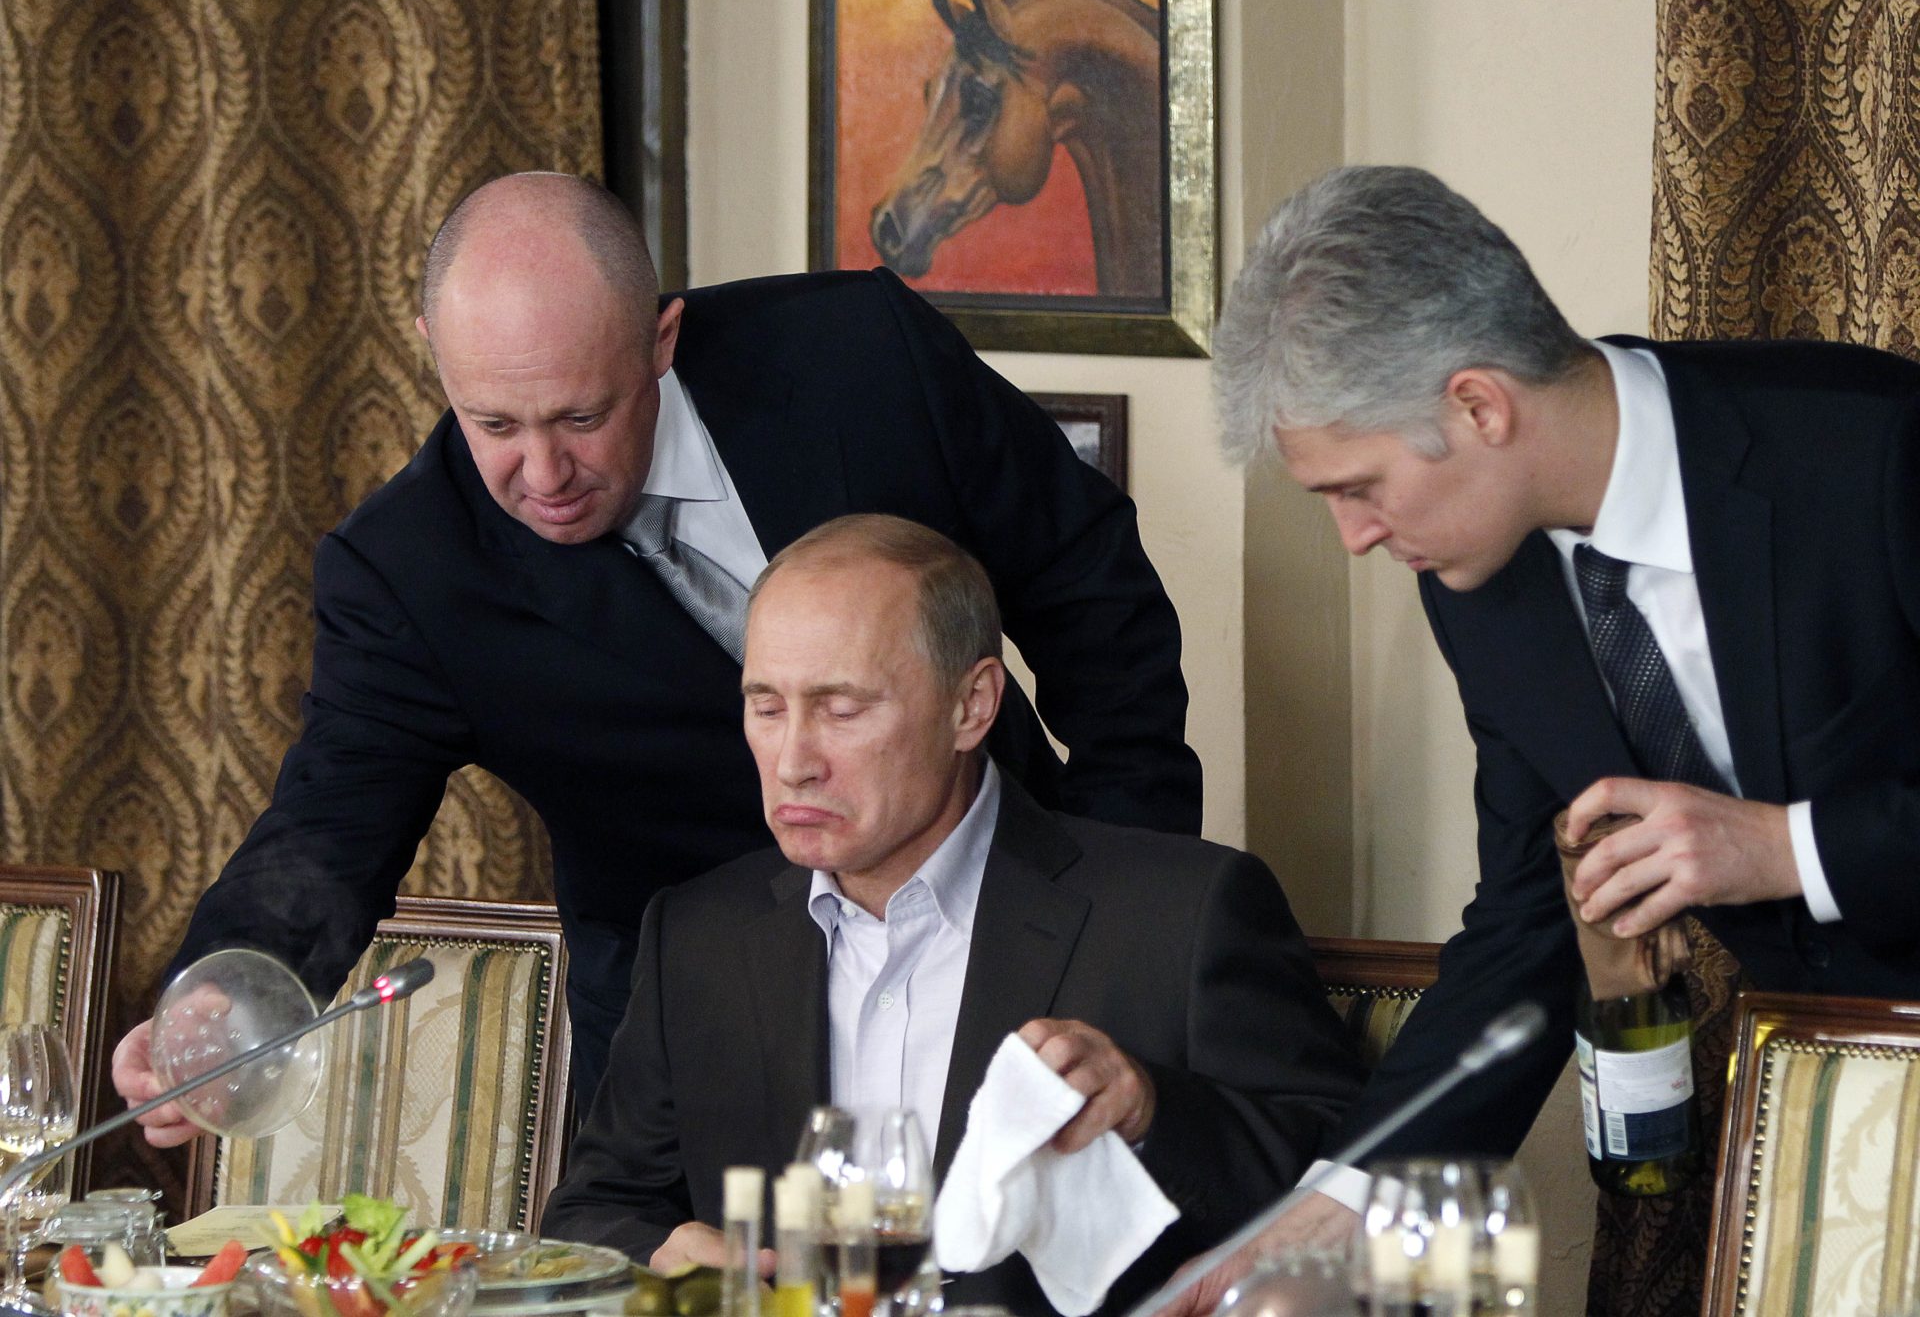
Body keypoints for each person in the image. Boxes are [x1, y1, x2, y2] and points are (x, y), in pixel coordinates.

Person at [110, 173, 1204, 1144]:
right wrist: (221, 1000)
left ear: (662, 338)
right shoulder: (409, 572)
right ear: (431, 351)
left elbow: (1094, 593)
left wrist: (1120, 900)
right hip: (696, 1048)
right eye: (492, 423)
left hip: (1007, 950)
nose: (543, 474)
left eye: (583, 415)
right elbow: (323, 836)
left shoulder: (859, 357)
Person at [1188, 163, 1920, 1293]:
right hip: (1821, 1151)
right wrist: (1340, 1198)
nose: (1354, 538)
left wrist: (1782, 850)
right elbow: (1532, 916)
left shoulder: (1875, 450)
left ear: (1478, 405)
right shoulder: (1476, 584)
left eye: (1358, 487)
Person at [539, 515, 1363, 1317]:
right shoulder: (699, 934)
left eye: (841, 708)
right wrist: (665, 1250)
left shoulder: (1181, 911)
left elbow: (1345, 1171)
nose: (793, 760)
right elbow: (594, 1210)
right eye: (766, 705)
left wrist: (1151, 1108)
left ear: (972, 705)